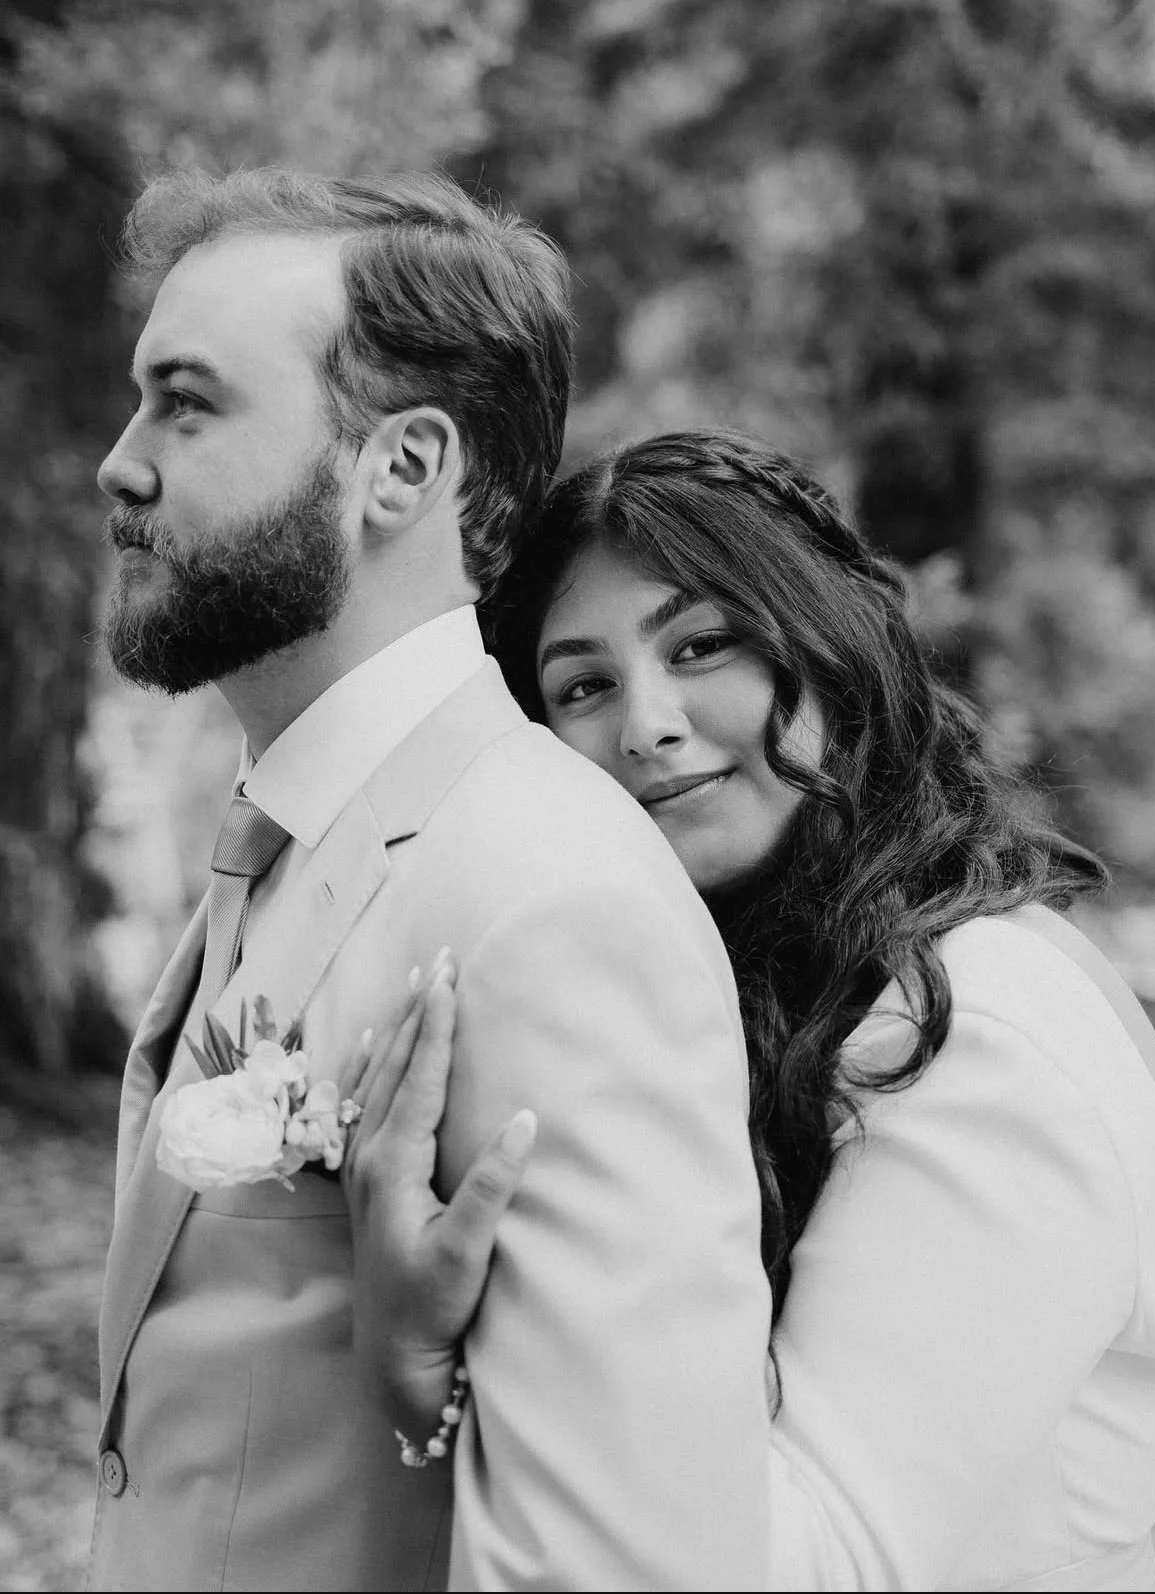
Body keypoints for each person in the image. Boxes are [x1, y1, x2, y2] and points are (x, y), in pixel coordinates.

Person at [344, 429, 1155, 1591]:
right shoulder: (752, 995)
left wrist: (419, 1353)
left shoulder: (981, 1033)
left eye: (702, 644)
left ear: (829, 641)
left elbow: (806, 1561)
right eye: (583, 685)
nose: (645, 723)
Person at [89, 177, 773, 1593]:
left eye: (188, 402)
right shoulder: (290, 828)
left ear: (398, 470)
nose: (120, 461)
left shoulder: (550, 897)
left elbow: (620, 1558)